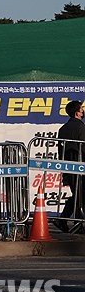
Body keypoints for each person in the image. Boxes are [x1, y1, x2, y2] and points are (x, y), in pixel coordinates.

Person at [56, 99, 85, 231]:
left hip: (68, 166)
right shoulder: (81, 128)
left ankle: (64, 219)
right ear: (77, 113)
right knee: (81, 195)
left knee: (78, 194)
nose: (83, 111)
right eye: (81, 109)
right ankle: (77, 223)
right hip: (81, 166)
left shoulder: (63, 129)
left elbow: (60, 150)